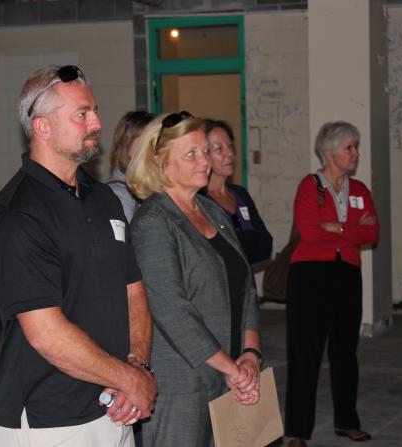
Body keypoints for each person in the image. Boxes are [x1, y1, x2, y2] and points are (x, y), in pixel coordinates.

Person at [0, 64, 157, 447]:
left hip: (113, 406)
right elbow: (46, 334)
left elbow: (133, 291)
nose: (96, 122)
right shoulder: (19, 215)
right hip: (50, 420)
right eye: (82, 114)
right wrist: (130, 380)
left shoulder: (103, 198)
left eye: (94, 110)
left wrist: (136, 367)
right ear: (42, 127)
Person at [127, 111, 262, 446]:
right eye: (191, 153)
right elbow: (171, 310)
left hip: (228, 374)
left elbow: (245, 287)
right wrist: (231, 368)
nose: (204, 160)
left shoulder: (213, 212)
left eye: (205, 151)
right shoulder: (154, 222)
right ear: (159, 162)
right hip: (182, 385)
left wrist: (250, 354)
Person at [285, 121, 379, 447]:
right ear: (328, 153)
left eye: (356, 147)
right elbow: (310, 231)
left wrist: (337, 227)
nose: (355, 153)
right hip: (309, 275)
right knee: (304, 354)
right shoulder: (310, 186)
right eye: (349, 148)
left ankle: (347, 422)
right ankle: (297, 430)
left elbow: (372, 233)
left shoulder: (361, 190)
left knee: (345, 353)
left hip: (347, 274)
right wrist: (351, 227)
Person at [202, 119, 273, 265]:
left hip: (246, 284)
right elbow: (214, 252)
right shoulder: (200, 200)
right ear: (204, 155)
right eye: (219, 149)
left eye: (230, 145)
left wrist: (237, 240)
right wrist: (249, 237)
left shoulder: (240, 194)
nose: (229, 153)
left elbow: (266, 245)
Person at [108, 111, 155, 222]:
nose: (155, 150)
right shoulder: (118, 195)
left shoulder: (148, 186)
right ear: (127, 146)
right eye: (146, 142)